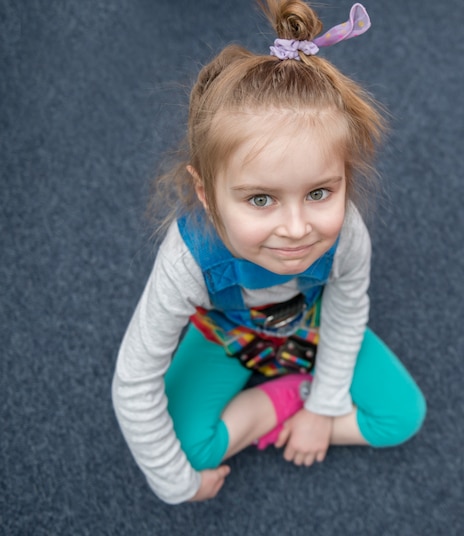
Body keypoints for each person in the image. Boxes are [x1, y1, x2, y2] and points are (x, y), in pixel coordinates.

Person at [112, 0, 426, 505]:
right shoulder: (187, 258)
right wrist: (177, 486)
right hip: (227, 335)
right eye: (261, 199)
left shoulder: (347, 232)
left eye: (320, 192)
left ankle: (296, 390)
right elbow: (133, 383)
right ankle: (278, 398)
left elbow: (347, 309)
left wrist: (322, 411)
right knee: (187, 455)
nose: (298, 229)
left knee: (402, 417)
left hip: (310, 323)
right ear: (206, 192)